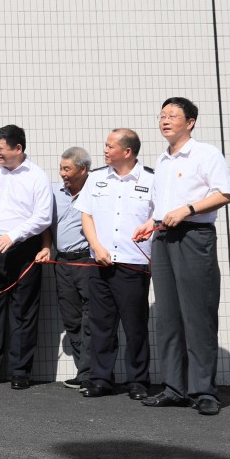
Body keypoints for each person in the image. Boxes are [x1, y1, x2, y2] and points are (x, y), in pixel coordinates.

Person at [134, 98, 230, 416]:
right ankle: (174, 387)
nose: (164, 120)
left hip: (193, 237)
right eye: (161, 115)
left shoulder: (206, 154)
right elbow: (161, 205)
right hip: (163, 238)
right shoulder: (162, 160)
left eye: (172, 115)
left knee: (198, 315)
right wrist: (151, 223)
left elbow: (223, 193)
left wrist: (187, 210)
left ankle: (203, 390)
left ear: (190, 122)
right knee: (168, 317)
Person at [0, 125, 53, 390]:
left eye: (1, 149)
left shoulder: (37, 176)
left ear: (18, 148)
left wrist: (13, 236)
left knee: (23, 312)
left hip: (23, 249)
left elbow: (43, 217)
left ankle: (20, 371)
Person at [75, 129, 154, 400]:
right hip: (99, 263)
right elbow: (86, 216)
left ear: (127, 152)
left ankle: (138, 382)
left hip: (133, 265)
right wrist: (96, 247)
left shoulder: (152, 179)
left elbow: (159, 220)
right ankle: (100, 380)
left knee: (135, 327)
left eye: (110, 146)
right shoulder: (96, 178)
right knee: (101, 325)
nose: (105, 150)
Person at [36, 147, 93, 391]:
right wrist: (47, 247)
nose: (62, 173)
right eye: (61, 168)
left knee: (93, 318)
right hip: (62, 262)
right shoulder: (54, 192)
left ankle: (95, 373)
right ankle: (84, 372)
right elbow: (46, 224)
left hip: (89, 262)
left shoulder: (96, 190)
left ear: (83, 169)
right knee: (71, 318)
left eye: (67, 169)